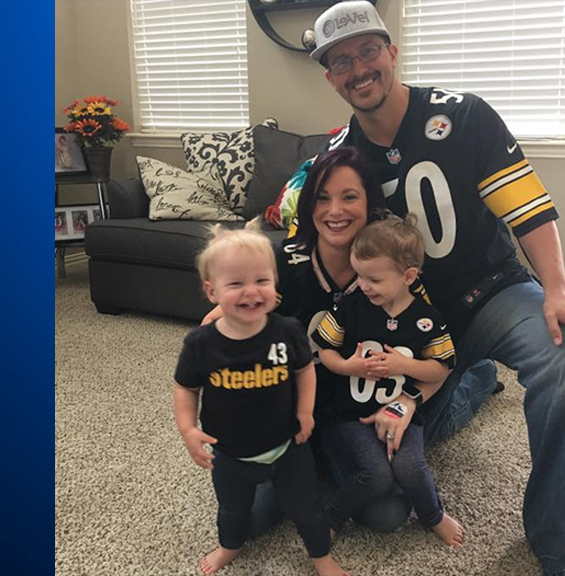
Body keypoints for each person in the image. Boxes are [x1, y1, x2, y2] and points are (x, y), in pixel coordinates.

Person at [309, 2, 565, 575]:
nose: (359, 68)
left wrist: (558, 289)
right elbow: (318, 240)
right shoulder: (342, 156)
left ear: (392, 52)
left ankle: (556, 542)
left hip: (491, 293)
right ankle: (472, 381)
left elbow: (527, 207)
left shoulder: (463, 115)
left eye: (368, 51)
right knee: (400, 451)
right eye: (341, 61)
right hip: (406, 321)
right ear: (330, 78)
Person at [202, 147, 430, 534]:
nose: (334, 210)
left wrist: (408, 401)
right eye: (322, 198)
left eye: (349, 196)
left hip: (357, 414)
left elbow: (429, 353)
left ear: (371, 203)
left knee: (387, 515)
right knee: (249, 520)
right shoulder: (282, 263)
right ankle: (317, 460)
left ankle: (472, 386)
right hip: (292, 414)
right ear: (308, 204)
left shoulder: (392, 271)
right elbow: (216, 329)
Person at [175, 221, 346, 576]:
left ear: (274, 283)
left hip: (288, 447)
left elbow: (305, 370)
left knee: (308, 508)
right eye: (236, 283)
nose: (251, 292)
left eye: (261, 280)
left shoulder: (288, 331)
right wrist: (188, 430)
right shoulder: (200, 343)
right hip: (229, 454)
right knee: (233, 510)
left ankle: (321, 557)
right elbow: (186, 388)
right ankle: (229, 546)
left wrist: (305, 412)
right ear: (211, 291)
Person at [313, 214, 464, 547]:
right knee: (377, 475)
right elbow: (325, 350)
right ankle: (331, 517)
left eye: (374, 279)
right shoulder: (351, 306)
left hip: (403, 413)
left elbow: (442, 368)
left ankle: (432, 516)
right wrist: (348, 367)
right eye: (359, 276)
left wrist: (403, 365)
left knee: (411, 467)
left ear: (408, 276)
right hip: (352, 416)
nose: (364, 285)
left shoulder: (426, 319)